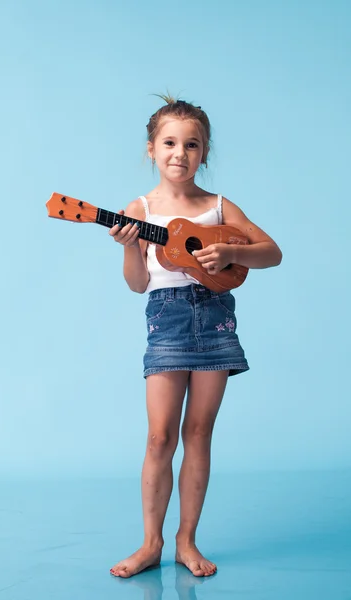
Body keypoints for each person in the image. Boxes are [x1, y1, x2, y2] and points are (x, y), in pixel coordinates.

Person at [109, 96, 282, 579]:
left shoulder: (218, 207)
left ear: (204, 152)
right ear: (151, 149)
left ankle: (187, 541)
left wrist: (228, 250)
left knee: (199, 433)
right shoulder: (139, 210)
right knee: (160, 435)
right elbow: (138, 283)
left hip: (215, 318)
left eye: (191, 144)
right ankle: (150, 543)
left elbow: (272, 253)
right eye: (169, 143)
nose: (179, 153)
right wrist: (129, 249)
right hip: (166, 320)